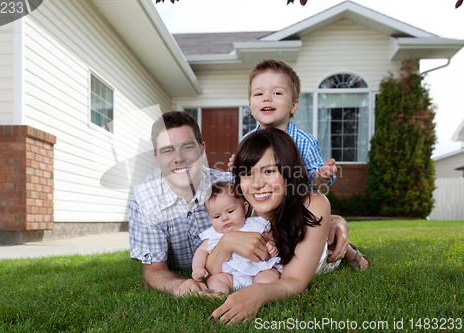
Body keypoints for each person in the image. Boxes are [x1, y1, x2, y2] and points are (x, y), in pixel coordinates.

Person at [128, 111, 350, 296]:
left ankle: (351, 253)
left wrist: (335, 221)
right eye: (167, 150)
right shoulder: (144, 201)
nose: (178, 158)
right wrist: (182, 283)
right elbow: (154, 269)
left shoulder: (230, 185)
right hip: (221, 267)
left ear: (202, 149)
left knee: (326, 243)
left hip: (285, 252)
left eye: (187, 147)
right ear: (157, 158)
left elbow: (292, 209)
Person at [209, 128, 370, 324]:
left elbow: (295, 280)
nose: (257, 184)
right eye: (247, 174)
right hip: (286, 247)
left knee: (330, 248)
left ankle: (350, 252)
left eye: (268, 171)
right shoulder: (241, 206)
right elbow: (212, 269)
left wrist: (259, 293)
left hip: (312, 253)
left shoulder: (314, 204)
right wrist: (226, 243)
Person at [229, 58, 355, 264]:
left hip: (295, 209)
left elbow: (314, 189)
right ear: (251, 105)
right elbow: (242, 180)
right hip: (264, 210)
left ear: (293, 105)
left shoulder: (304, 142)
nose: (267, 98)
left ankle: (347, 252)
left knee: (307, 241)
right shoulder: (246, 141)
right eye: (259, 94)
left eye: (277, 93)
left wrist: (320, 178)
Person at [192, 181, 281, 294]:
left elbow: (269, 239)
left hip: (257, 270)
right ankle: (220, 294)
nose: (225, 218)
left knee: (270, 274)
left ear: (244, 208)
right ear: (210, 218)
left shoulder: (255, 224)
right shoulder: (213, 234)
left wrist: (272, 246)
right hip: (229, 275)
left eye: (230, 211)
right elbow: (201, 251)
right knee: (214, 280)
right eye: (217, 216)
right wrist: (198, 267)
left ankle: (257, 291)